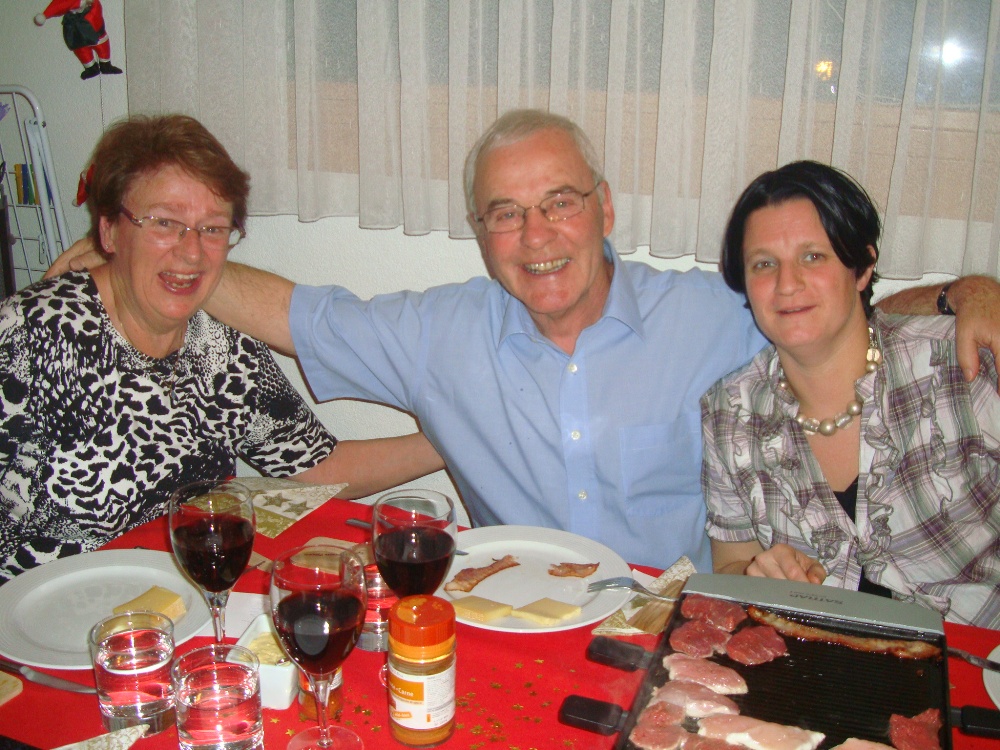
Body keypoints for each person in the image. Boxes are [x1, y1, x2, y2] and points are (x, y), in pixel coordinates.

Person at [47, 110, 1000, 572]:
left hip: (679, 636)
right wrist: (148, 251)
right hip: (512, 623)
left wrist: (968, 292)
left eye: (559, 203)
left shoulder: (707, 315)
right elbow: (301, 312)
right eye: (505, 212)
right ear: (478, 230)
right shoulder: (441, 331)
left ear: (605, 209)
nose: (535, 235)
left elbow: (828, 309)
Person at [0, 114, 443, 584]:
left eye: (212, 228)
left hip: (182, 594)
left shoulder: (219, 338)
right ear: (108, 231)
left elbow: (315, 468)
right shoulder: (27, 338)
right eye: (165, 223)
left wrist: (456, 433)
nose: (192, 252)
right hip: (43, 609)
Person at [701, 160, 999, 627]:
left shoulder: (960, 367)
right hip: (828, 659)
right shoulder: (729, 412)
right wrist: (758, 574)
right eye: (764, 264)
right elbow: (731, 563)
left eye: (813, 257)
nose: (787, 284)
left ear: (862, 268)